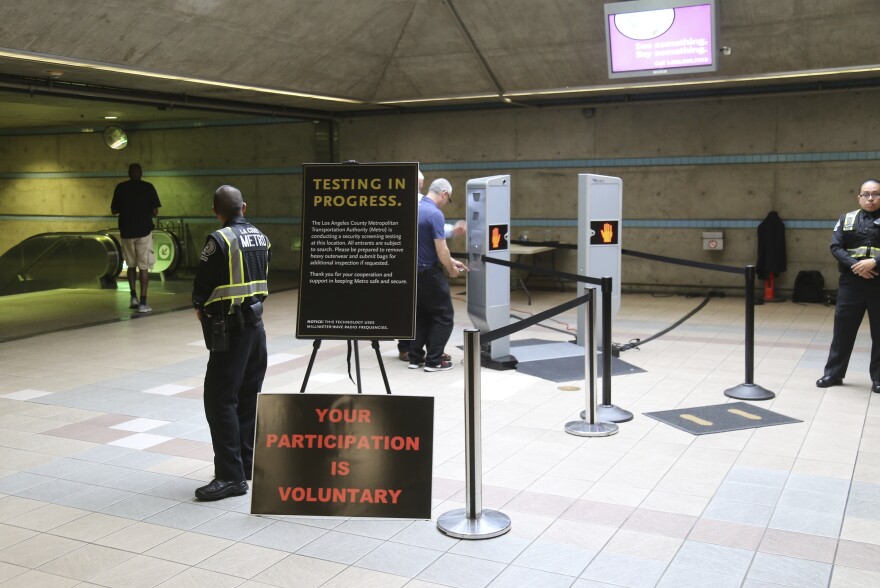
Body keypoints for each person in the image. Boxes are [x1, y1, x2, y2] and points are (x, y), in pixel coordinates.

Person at [192, 185, 271, 500]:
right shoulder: (261, 237)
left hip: (231, 331)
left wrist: (201, 307)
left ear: (216, 210)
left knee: (219, 400)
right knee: (248, 397)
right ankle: (246, 465)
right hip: (256, 328)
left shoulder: (219, 240)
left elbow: (202, 286)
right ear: (245, 206)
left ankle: (230, 477)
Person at [817, 179, 880, 393]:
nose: (870, 198)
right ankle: (833, 374)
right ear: (859, 197)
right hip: (851, 283)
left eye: (875, 194)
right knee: (843, 330)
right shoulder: (847, 218)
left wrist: (875, 262)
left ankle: (878, 379)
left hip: (879, 283)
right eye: (866, 194)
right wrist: (857, 266)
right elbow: (836, 246)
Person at [408, 179, 468, 372]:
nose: (446, 202)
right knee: (444, 316)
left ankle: (415, 358)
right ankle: (434, 361)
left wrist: (451, 262)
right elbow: (441, 250)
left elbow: (424, 245)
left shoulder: (413, 209)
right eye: (448, 199)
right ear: (443, 193)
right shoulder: (435, 213)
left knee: (421, 315)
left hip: (412, 273)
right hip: (429, 273)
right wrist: (451, 270)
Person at [111, 163, 161, 313]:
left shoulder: (120, 187)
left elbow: (114, 210)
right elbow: (155, 211)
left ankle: (133, 297)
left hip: (126, 231)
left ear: (128, 173)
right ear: (141, 173)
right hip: (144, 231)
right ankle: (143, 301)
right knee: (144, 267)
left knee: (131, 265)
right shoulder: (148, 187)